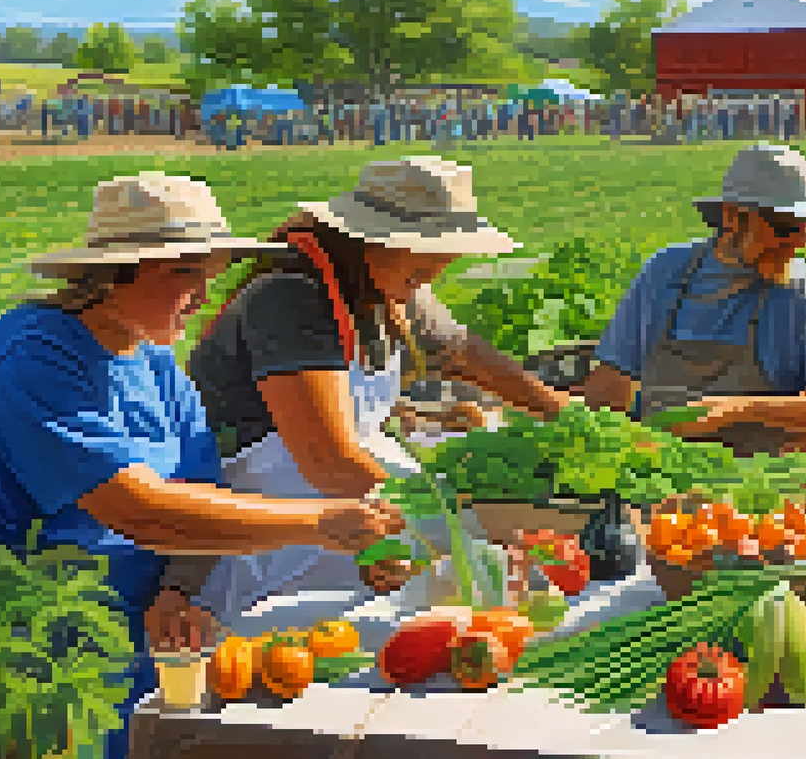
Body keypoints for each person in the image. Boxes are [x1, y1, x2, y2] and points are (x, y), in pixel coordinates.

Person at [0, 173, 405, 759]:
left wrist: (178, 590)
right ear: (111, 274)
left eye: (210, 275)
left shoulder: (154, 362)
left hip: (110, 637)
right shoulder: (33, 357)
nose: (204, 295)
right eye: (185, 274)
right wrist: (318, 523)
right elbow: (139, 510)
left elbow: (202, 491)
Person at [180, 156, 572, 626]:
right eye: (431, 247)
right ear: (369, 238)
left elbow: (464, 353)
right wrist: (446, 543)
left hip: (355, 512)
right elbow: (329, 463)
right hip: (279, 538)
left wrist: (567, 413)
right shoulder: (289, 298)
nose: (445, 262)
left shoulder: (392, 290)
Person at [579, 142, 806, 459]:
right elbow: (611, 386)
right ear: (733, 218)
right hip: (664, 474)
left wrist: (740, 408)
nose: (799, 241)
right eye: (786, 227)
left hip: (769, 484)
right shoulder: (664, 273)